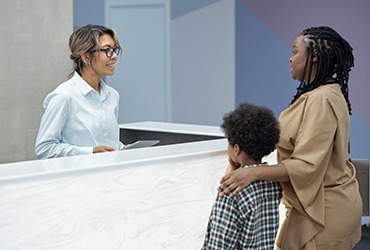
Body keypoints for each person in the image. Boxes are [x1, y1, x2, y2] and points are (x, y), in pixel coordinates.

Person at [219, 26, 363, 249]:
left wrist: (251, 173)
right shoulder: (324, 93)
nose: (290, 58)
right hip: (327, 204)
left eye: (295, 52)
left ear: (314, 56)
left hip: (324, 214)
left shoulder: (321, 100)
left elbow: (307, 165)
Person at [35, 24, 123, 159]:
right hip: (77, 178)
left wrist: (125, 149)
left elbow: (108, 143)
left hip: (108, 176)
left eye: (114, 49)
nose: (114, 56)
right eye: (107, 50)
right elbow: (44, 149)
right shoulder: (63, 97)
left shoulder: (113, 95)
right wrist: (90, 152)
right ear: (86, 57)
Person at [202, 102, 282, 249]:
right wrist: (234, 167)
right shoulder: (273, 184)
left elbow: (219, 245)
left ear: (236, 149)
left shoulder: (231, 192)